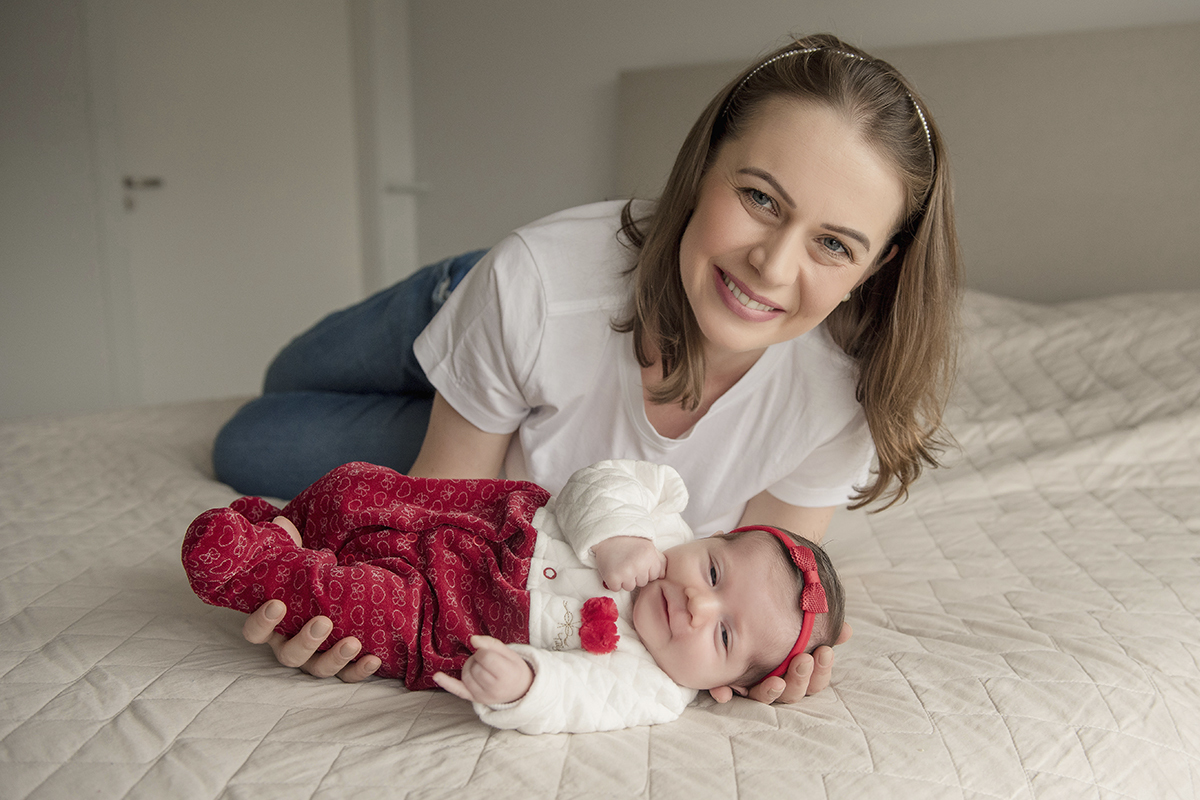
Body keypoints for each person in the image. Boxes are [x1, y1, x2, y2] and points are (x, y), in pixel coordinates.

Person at [213, 32, 960, 703]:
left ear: (877, 265)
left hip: (516, 434)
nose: (773, 264)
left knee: (245, 444)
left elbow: (765, 595)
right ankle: (454, 308)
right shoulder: (540, 284)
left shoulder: (847, 395)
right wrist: (364, 611)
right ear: (703, 170)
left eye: (834, 244)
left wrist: (761, 662)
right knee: (287, 375)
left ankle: (489, 394)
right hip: (521, 313)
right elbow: (433, 525)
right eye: (761, 198)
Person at [182, 460, 845, 734]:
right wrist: (616, 535)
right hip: (479, 526)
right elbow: (600, 481)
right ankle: (292, 521)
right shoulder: (660, 515)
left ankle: (252, 566)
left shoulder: (654, 686)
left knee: (360, 610)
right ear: (713, 535)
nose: (699, 604)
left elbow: (584, 700)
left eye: (723, 637)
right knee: (358, 490)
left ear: (723, 687)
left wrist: (524, 684)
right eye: (715, 571)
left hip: (447, 623)